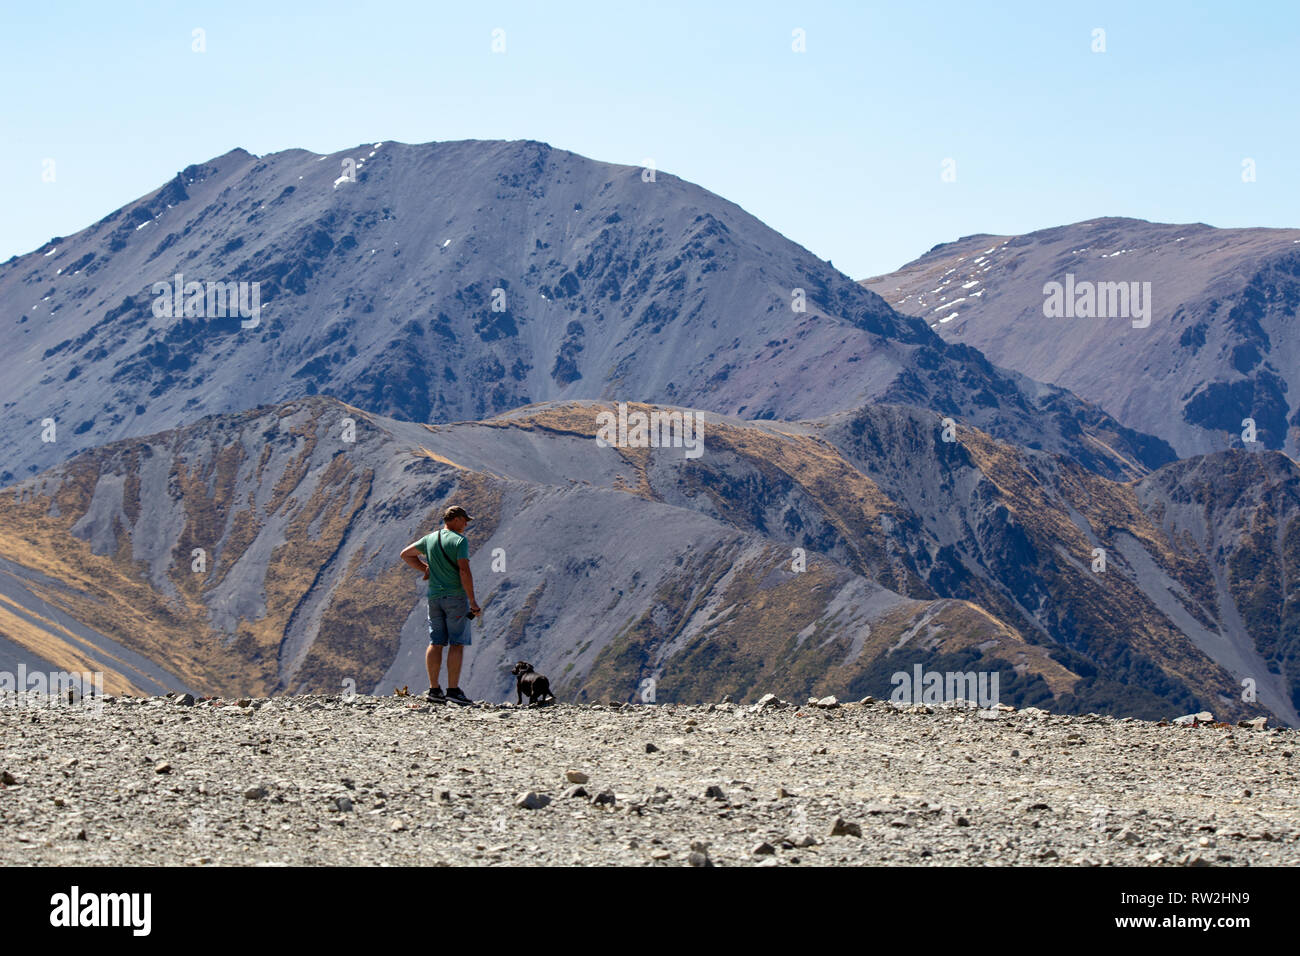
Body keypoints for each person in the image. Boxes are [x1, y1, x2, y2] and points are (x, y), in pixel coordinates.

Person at [400, 505, 481, 705]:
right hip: (455, 597)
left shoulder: (430, 539)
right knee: (456, 642)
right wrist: (472, 601)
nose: (465, 524)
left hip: (434, 597)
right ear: (454, 519)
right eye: (464, 520)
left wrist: (425, 568)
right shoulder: (459, 541)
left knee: (436, 642)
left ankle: (434, 690)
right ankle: (453, 690)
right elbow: (464, 570)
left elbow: (406, 554)